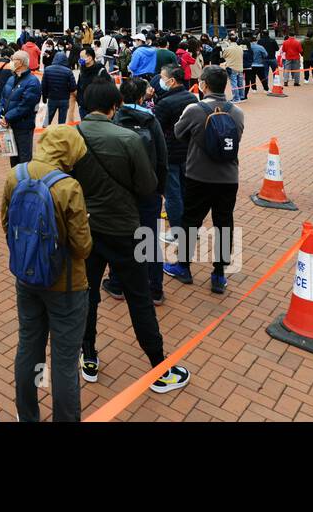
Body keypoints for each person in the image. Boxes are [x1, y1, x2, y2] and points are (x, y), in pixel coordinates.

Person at [73, 79, 191, 393]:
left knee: (88, 294)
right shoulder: (128, 138)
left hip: (87, 227)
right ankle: (158, 366)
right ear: (115, 107)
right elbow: (147, 186)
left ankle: (88, 355)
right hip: (127, 229)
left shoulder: (73, 135)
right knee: (139, 298)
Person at [2, 126, 93, 422]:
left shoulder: (15, 175)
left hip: (26, 277)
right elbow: (82, 248)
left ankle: (27, 414)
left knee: (29, 346)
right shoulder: (68, 187)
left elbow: (7, 225)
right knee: (65, 361)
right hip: (66, 285)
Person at [165, 66, 245, 295]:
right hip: (229, 177)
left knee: (191, 221)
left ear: (204, 85)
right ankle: (219, 274)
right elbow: (235, 138)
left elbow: (179, 133)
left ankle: (183, 267)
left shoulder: (194, 109)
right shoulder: (237, 112)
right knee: (224, 223)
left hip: (198, 175)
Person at [102, 76, 169, 304]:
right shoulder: (151, 120)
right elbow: (162, 159)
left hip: (119, 192)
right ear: (142, 97)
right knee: (149, 237)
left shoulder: (114, 121)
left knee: (119, 238)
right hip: (148, 190)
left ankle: (117, 284)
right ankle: (154, 288)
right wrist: (160, 189)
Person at [151, 65, 197, 245]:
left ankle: (177, 232)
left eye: (162, 77)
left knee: (172, 194)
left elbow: (157, 130)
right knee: (185, 191)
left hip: (170, 152)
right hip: (188, 151)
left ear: (171, 81)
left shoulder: (165, 103)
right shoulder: (191, 97)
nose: (159, 80)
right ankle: (189, 227)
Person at [0, 49, 41, 167]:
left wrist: (7, 117)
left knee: (24, 160)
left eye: (13, 59)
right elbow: (2, 99)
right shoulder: (11, 79)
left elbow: (25, 106)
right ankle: (15, 182)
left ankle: (24, 184)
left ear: (20, 62)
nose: (10, 62)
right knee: (13, 159)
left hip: (23, 127)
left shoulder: (33, 82)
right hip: (10, 126)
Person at [41, 45, 76, 125]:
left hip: (52, 98)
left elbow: (44, 86)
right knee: (62, 122)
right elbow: (73, 87)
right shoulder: (68, 71)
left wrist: (44, 98)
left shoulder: (47, 70)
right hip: (64, 99)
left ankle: (45, 133)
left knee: (48, 119)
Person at [220, 34, 246, 103]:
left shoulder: (228, 49)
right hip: (240, 67)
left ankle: (236, 98)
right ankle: (242, 96)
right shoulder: (240, 48)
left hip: (231, 67)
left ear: (229, 40)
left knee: (234, 83)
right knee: (240, 83)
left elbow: (223, 56)